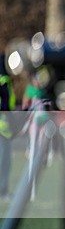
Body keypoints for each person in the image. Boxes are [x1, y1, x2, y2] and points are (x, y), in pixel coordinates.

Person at [0, 55, 16, 200]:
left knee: (6, 161)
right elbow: (4, 105)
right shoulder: (3, 80)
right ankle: (3, 191)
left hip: (5, 127)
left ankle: (4, 191)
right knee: (3, 161)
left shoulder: (4, 80)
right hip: (3, 127)